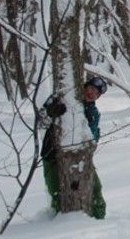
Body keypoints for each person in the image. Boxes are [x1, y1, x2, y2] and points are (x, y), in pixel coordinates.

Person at [41, 76, 108, 219]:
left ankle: (100, 222)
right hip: (51, 156)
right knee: (57, 192)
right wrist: (50, 112)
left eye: (96, 94)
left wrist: (89, 120)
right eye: (91, 89)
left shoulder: (93, 113)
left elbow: (93, 140)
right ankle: (56, 224)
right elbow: (41, 121)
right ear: (85, 86)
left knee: (95, 189)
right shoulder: (63, 97)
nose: (92, 94)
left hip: (80, 158)